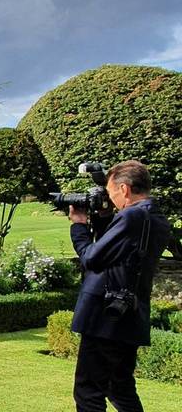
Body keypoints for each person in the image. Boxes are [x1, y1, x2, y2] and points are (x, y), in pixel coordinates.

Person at [68, 160, 171, 412]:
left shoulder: (132, 215)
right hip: (129, 315)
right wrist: (103, 220)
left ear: (125, 189)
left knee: (88, 391)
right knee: (119, 388)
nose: (110, 199)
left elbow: (92, 258)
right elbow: (120, 255)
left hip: (106, 318)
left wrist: (79, 226)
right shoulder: (155, 217)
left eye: (111, 192)